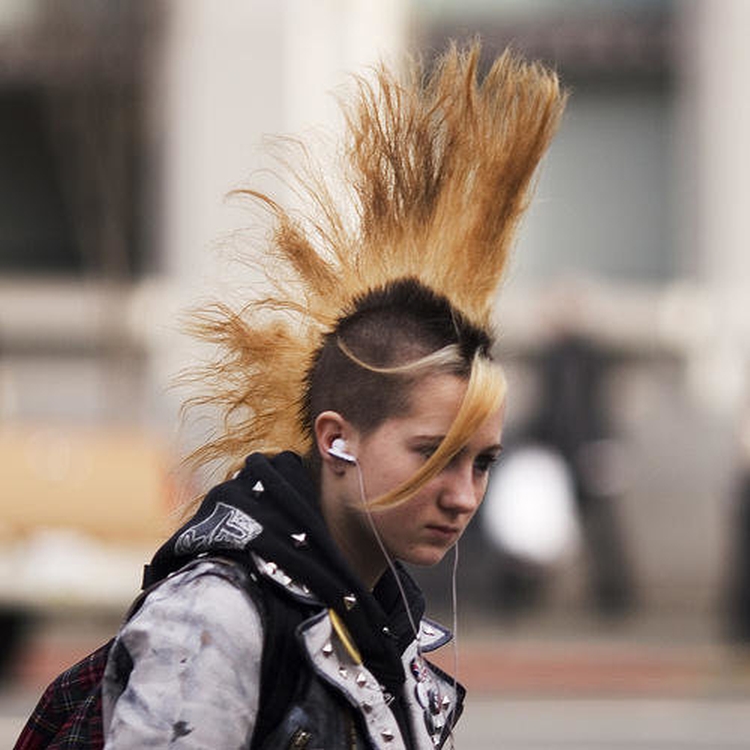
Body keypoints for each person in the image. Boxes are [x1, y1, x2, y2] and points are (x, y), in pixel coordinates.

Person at [22, 43, 566, 750]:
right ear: (337, 437)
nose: (464, 495)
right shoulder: (216, 617)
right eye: (434, 453)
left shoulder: (384, 630)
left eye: (484, 462)